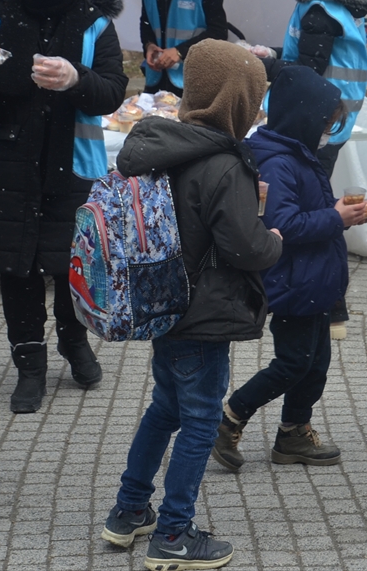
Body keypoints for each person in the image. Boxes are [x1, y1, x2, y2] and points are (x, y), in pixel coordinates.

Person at [101, 39, 283, 571]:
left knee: (167, 408)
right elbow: (244, 247)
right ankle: (174, 535)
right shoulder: (223, 164)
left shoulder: (166, 146)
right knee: (202, 419)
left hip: (163, 304)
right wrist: (271, 235)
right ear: (236, 102)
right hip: (204, 312)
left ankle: (129, 510)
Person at [0, 0, 128, 414]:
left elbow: (113, 91)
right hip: (6, 161)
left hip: (72, 164)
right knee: (18, 268)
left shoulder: (95, 21)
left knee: (68, 263)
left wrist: (76, 78)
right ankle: (29, 363)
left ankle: (72, 341)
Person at [212, 66, 367, 474]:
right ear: (303, 118)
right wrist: (338, 219)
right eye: (324, 123)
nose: (327, 132)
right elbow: (285, 225)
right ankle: (229, 418)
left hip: (314, 280)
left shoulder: (297, 153)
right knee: (293, 363)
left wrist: (344, 216)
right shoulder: (279, 162)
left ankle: (294, 433)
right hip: (295, 280)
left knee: (316, 362)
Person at [270, 0, 367, 340]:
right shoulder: (331, 0)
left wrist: (264, 65)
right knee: (316, 207)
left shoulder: (319, 7)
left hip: (316, 124)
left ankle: (328, 302)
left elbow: (307, 73)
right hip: (326, 120)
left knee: (315, 211)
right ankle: (328, 302)